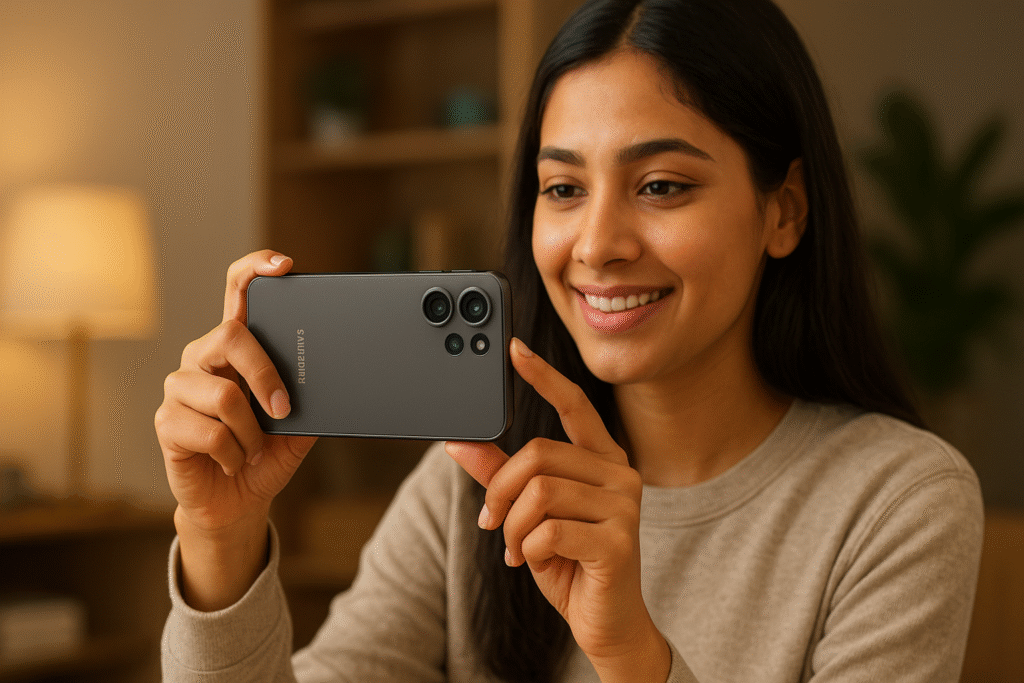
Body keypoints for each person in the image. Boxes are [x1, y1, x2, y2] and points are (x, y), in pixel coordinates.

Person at [156, 0, 984, 681]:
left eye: (661, 185)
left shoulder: (897, 500)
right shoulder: (479, 474)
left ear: (785, 210)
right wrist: (220, 538)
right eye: (562, 187)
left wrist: (629, 650)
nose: (595, 244)